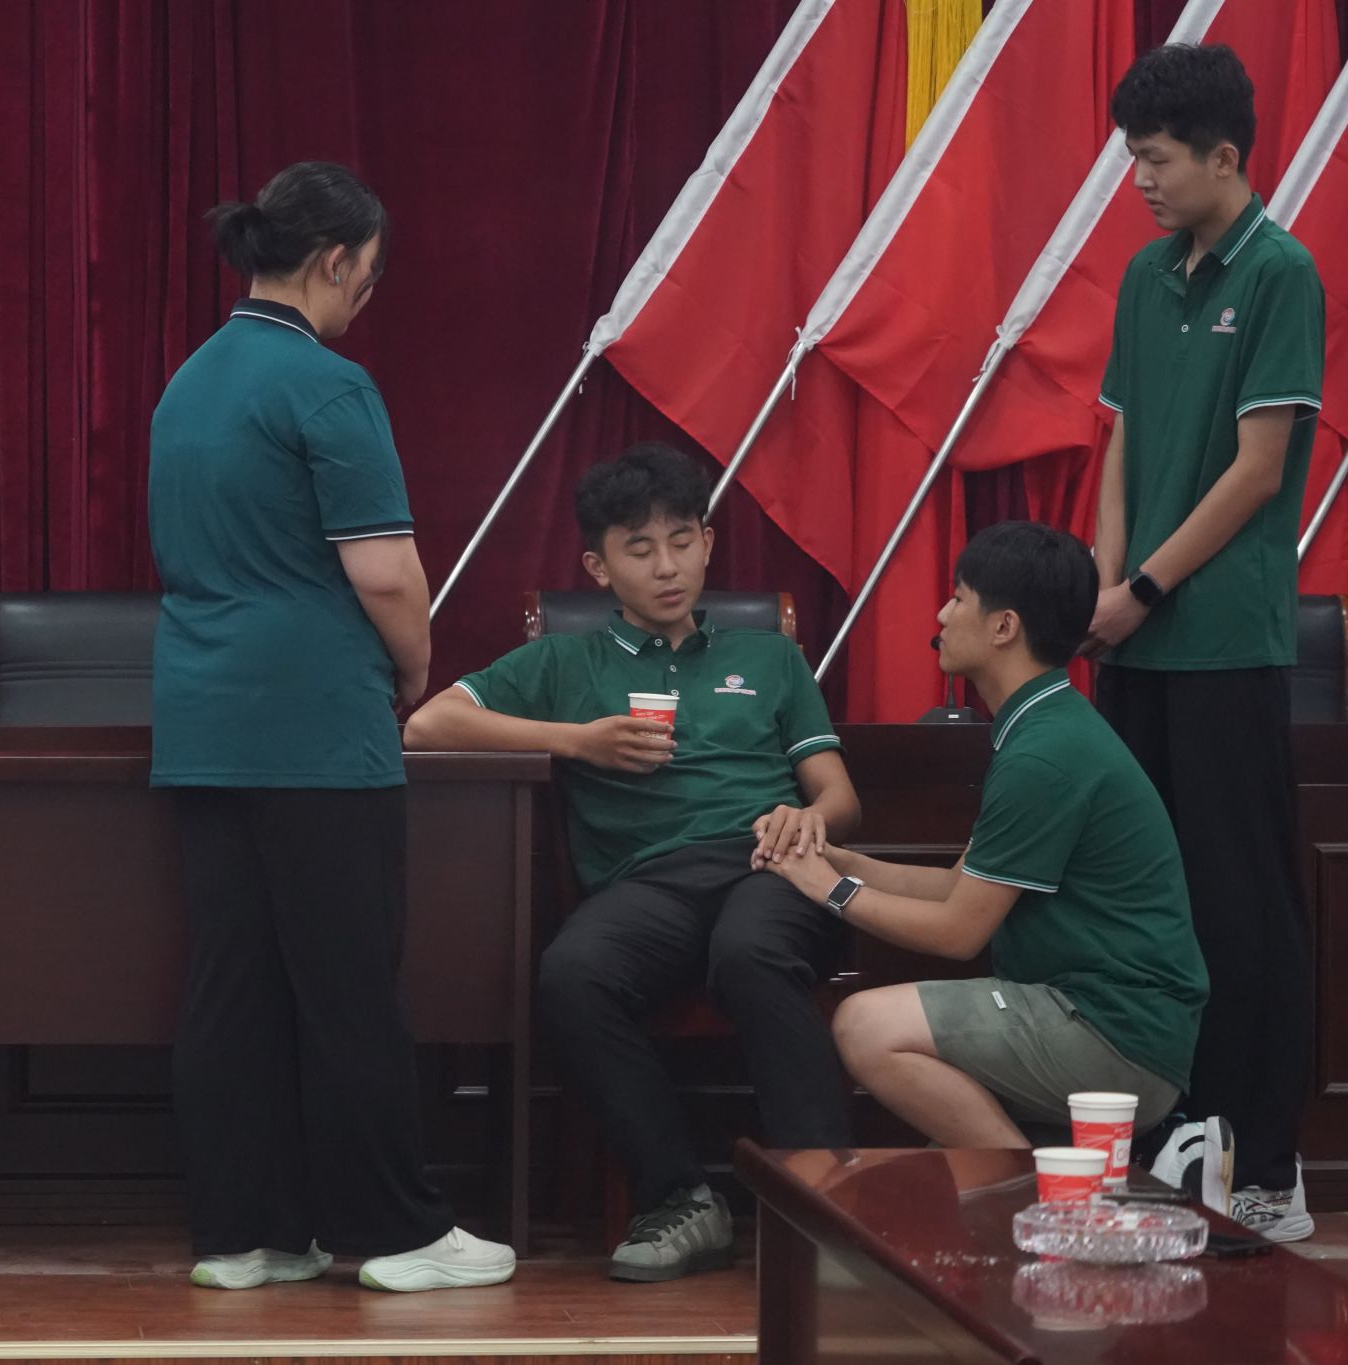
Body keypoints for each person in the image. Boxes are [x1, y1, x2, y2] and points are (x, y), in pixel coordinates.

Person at [147, 161, 514, 1293]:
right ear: (337, 260)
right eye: (369, 274)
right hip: (315, 724)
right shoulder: (328, 386)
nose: (366, 296)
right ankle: (397, 1234)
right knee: (349, 984)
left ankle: (245, 1234)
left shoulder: (187, 384)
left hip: (200, 720)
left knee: (232, 986)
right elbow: (387, 576)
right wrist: (415, 669)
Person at [404, 443, 861, 1283]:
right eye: (639, 548)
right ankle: (681, 1197)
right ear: (599, 567)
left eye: (682, 541)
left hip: (768, 863)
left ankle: (826, 1204)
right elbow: (428, 724)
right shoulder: (565, 662)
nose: (667, 566)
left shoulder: (770, 658)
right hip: (649, 883)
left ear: (708, 543)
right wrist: (576, 740)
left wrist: (808, 814)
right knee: (571, 973)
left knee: (751, 950)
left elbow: (840, 795)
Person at [1083, 42, 1323, 1239]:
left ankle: (1265, 1168)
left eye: (1155, 160)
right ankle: (1171, 1144)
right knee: (1147, 904)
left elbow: (1258, 469)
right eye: (1132, 158)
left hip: (1221, 640)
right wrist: (1103, 584)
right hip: (1130, 636)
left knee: (1242, 907)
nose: (1138, 180)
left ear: (1223, 158)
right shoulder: (1142, 275)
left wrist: (1145, 585)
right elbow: (1122, 439)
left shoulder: (1280, 273)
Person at [770, 522, 1208, 1163]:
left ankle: (1045, 1199)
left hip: (1113, 1036)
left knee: (865, 1026)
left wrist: (831, 891)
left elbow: (958, 932)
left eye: (958, 598)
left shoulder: (1045, 754)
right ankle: (1052, 1185)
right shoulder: (1045, 723)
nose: (942, 615)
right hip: (1098, 1022)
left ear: (1004, 627)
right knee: (944, 1181)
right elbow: (958, 885)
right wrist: (840, 859)